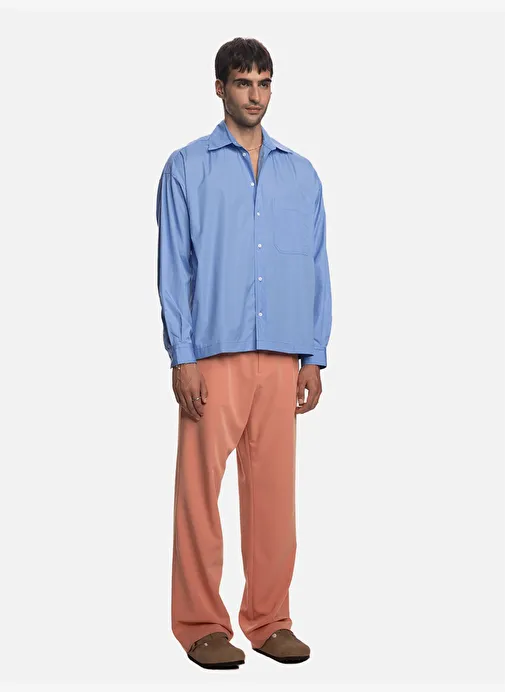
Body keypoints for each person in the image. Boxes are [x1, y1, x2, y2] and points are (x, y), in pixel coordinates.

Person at [156, 37, 332, 670]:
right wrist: (182, 355)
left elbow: (316, 266)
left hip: (282, 356)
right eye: (242, 83)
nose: (254, 95)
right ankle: (201, 625)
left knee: (274, 498)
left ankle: (269, 619)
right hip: (213, 354)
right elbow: (174, 266)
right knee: (199, 494)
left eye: (263, 83)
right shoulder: (187, 167)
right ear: (220, 89)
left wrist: (314, 353)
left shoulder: (301, 173)